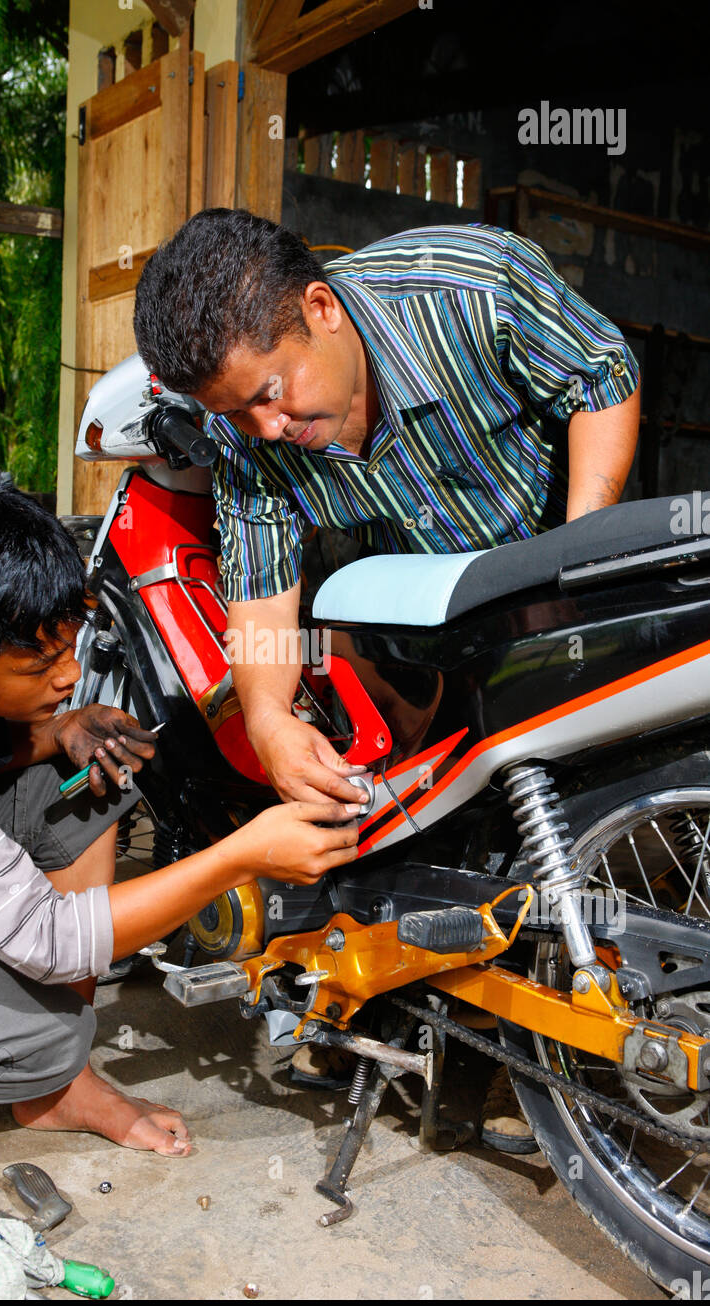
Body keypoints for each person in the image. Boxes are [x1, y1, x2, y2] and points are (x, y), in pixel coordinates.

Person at [132, 210, 641, 1141]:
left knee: (586, 806)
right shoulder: (250, 432)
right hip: (424, 603)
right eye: (237, 414)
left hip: (557, 564)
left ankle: (597, 1037)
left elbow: (602, 374)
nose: (267, 428)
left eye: (273, 395)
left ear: (321, 308)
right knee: (442, 816)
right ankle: (462, 1037)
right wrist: (272, 719)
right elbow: (260, 575)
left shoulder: (465, 284)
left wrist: (574, 558)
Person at [0, 476, 359, 1150]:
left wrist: (61, 728)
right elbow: (50, 938)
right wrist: (239, 858)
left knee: (96, 772)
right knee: (37, 1042)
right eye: (36, 668)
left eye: (68, 649)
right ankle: (50, 1077)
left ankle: (61, 1088)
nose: (63, 679)